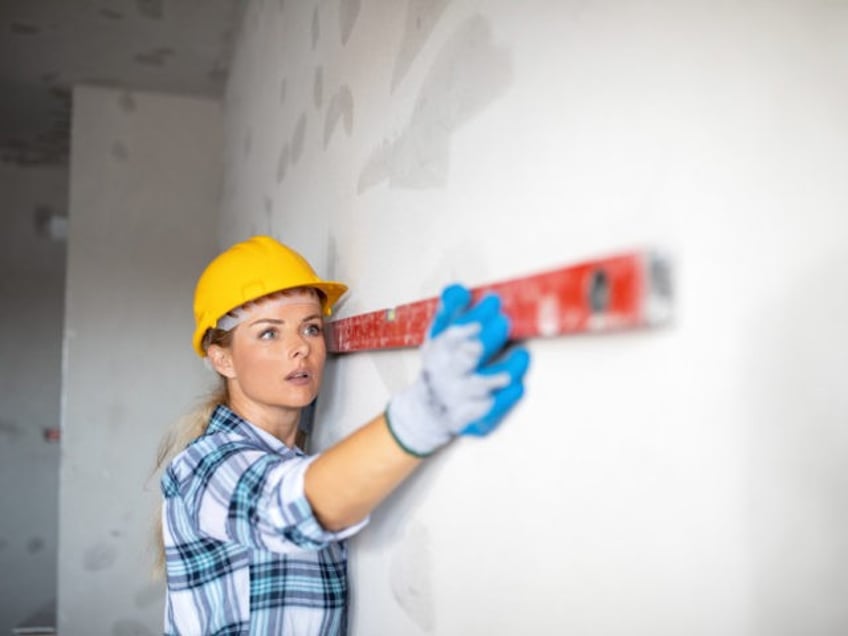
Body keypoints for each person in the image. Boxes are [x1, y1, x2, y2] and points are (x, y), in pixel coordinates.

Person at [157, 235, 530, 635]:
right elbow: (284, 505)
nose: (300, 348)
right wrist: (423, 413)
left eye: (312, 328)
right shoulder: (203, 464)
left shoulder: (295, 457)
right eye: (269, 333)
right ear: (222, 358)